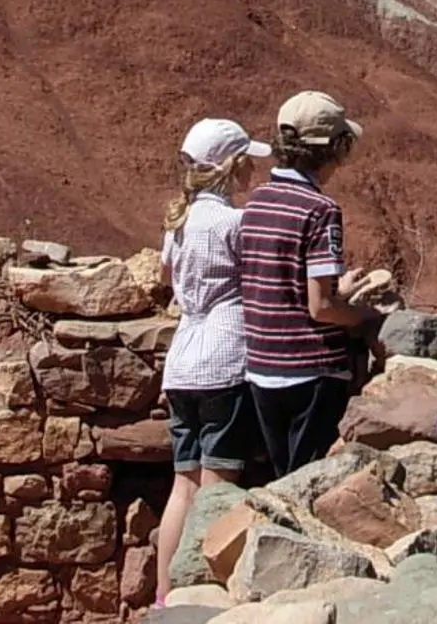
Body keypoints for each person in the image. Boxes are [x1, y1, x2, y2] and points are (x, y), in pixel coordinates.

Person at [155, 116, 268, 607]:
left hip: (181, 364)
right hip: (225, 361)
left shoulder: (178, 223)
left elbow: (165, 277)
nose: (252, 171)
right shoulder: (234, 223)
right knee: (218, 488)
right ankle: (197, 599)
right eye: (247, 162)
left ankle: (163, 595)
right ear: (231, 165)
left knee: (183, 485)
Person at [240, 90, 375, 477]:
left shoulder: (257, 200)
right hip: (310, 370)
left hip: (262, 366)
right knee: (306, 481)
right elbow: (320, 308)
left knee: (281, 476)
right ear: (334, 149)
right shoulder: (320, 210)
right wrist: (362, 315)